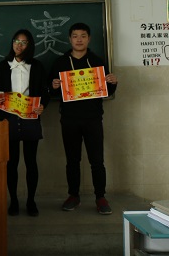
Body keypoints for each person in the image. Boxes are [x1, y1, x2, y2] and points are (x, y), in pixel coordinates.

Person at [48, 22, 118, 215]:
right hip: (69, 119)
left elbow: (107, 91)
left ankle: (100, 197)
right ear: (69, 39)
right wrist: (53, 86)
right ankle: (73, 196)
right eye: (75, 36)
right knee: (72, 160)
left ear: (89, 39)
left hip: (93, 118)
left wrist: (113, 82)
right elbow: (52, 92)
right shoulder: (60, 63)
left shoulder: (97, 61)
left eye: (83, 36)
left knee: (97, 161)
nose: (79, 40)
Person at [0, 29, 49, 217]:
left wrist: (43, 105)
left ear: (29, 45)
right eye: (16, 41)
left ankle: (31, 200)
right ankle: (14, 200)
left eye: (24, 42)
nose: (19, 45)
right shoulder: (3, 65)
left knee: (31, 162)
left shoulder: (37, 66)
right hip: (9, 118)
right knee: (12, 163)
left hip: (30, 117)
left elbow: (45, 91)